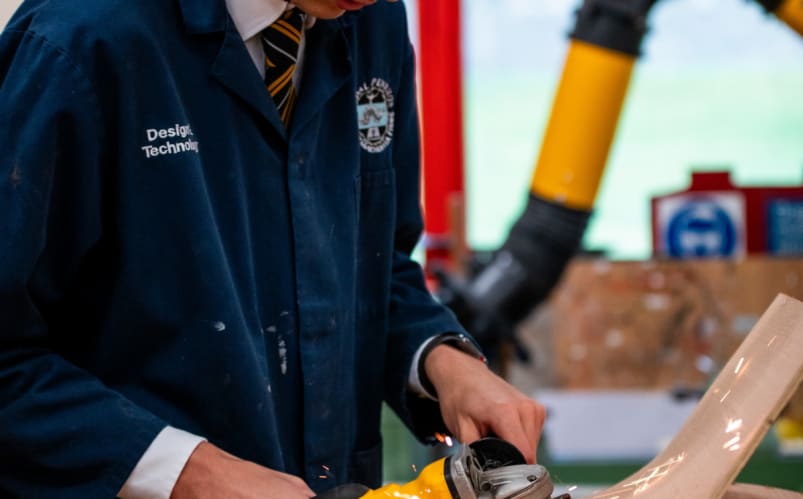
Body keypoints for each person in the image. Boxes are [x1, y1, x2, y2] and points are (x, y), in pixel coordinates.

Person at [0, 0, 546, 497]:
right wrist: (187, 470)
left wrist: (440, 362)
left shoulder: (370, 21)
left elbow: (373, 269)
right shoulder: (79, 41)